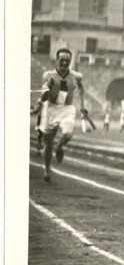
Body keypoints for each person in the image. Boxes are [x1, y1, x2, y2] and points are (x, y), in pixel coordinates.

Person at [30, 48, 88, 183]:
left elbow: (81, 88)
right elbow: (43, 97)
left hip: (66, 109)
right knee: (47, 144)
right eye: (61, 60)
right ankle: (47, 168)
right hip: (50, 109)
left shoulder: (76, 76)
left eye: (67, 60)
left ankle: (59, 146)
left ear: (70, 61)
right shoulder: (48, 75)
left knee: (67, 133)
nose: (64, 63)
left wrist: (83, 104)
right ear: (56, 60)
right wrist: (48, 88)